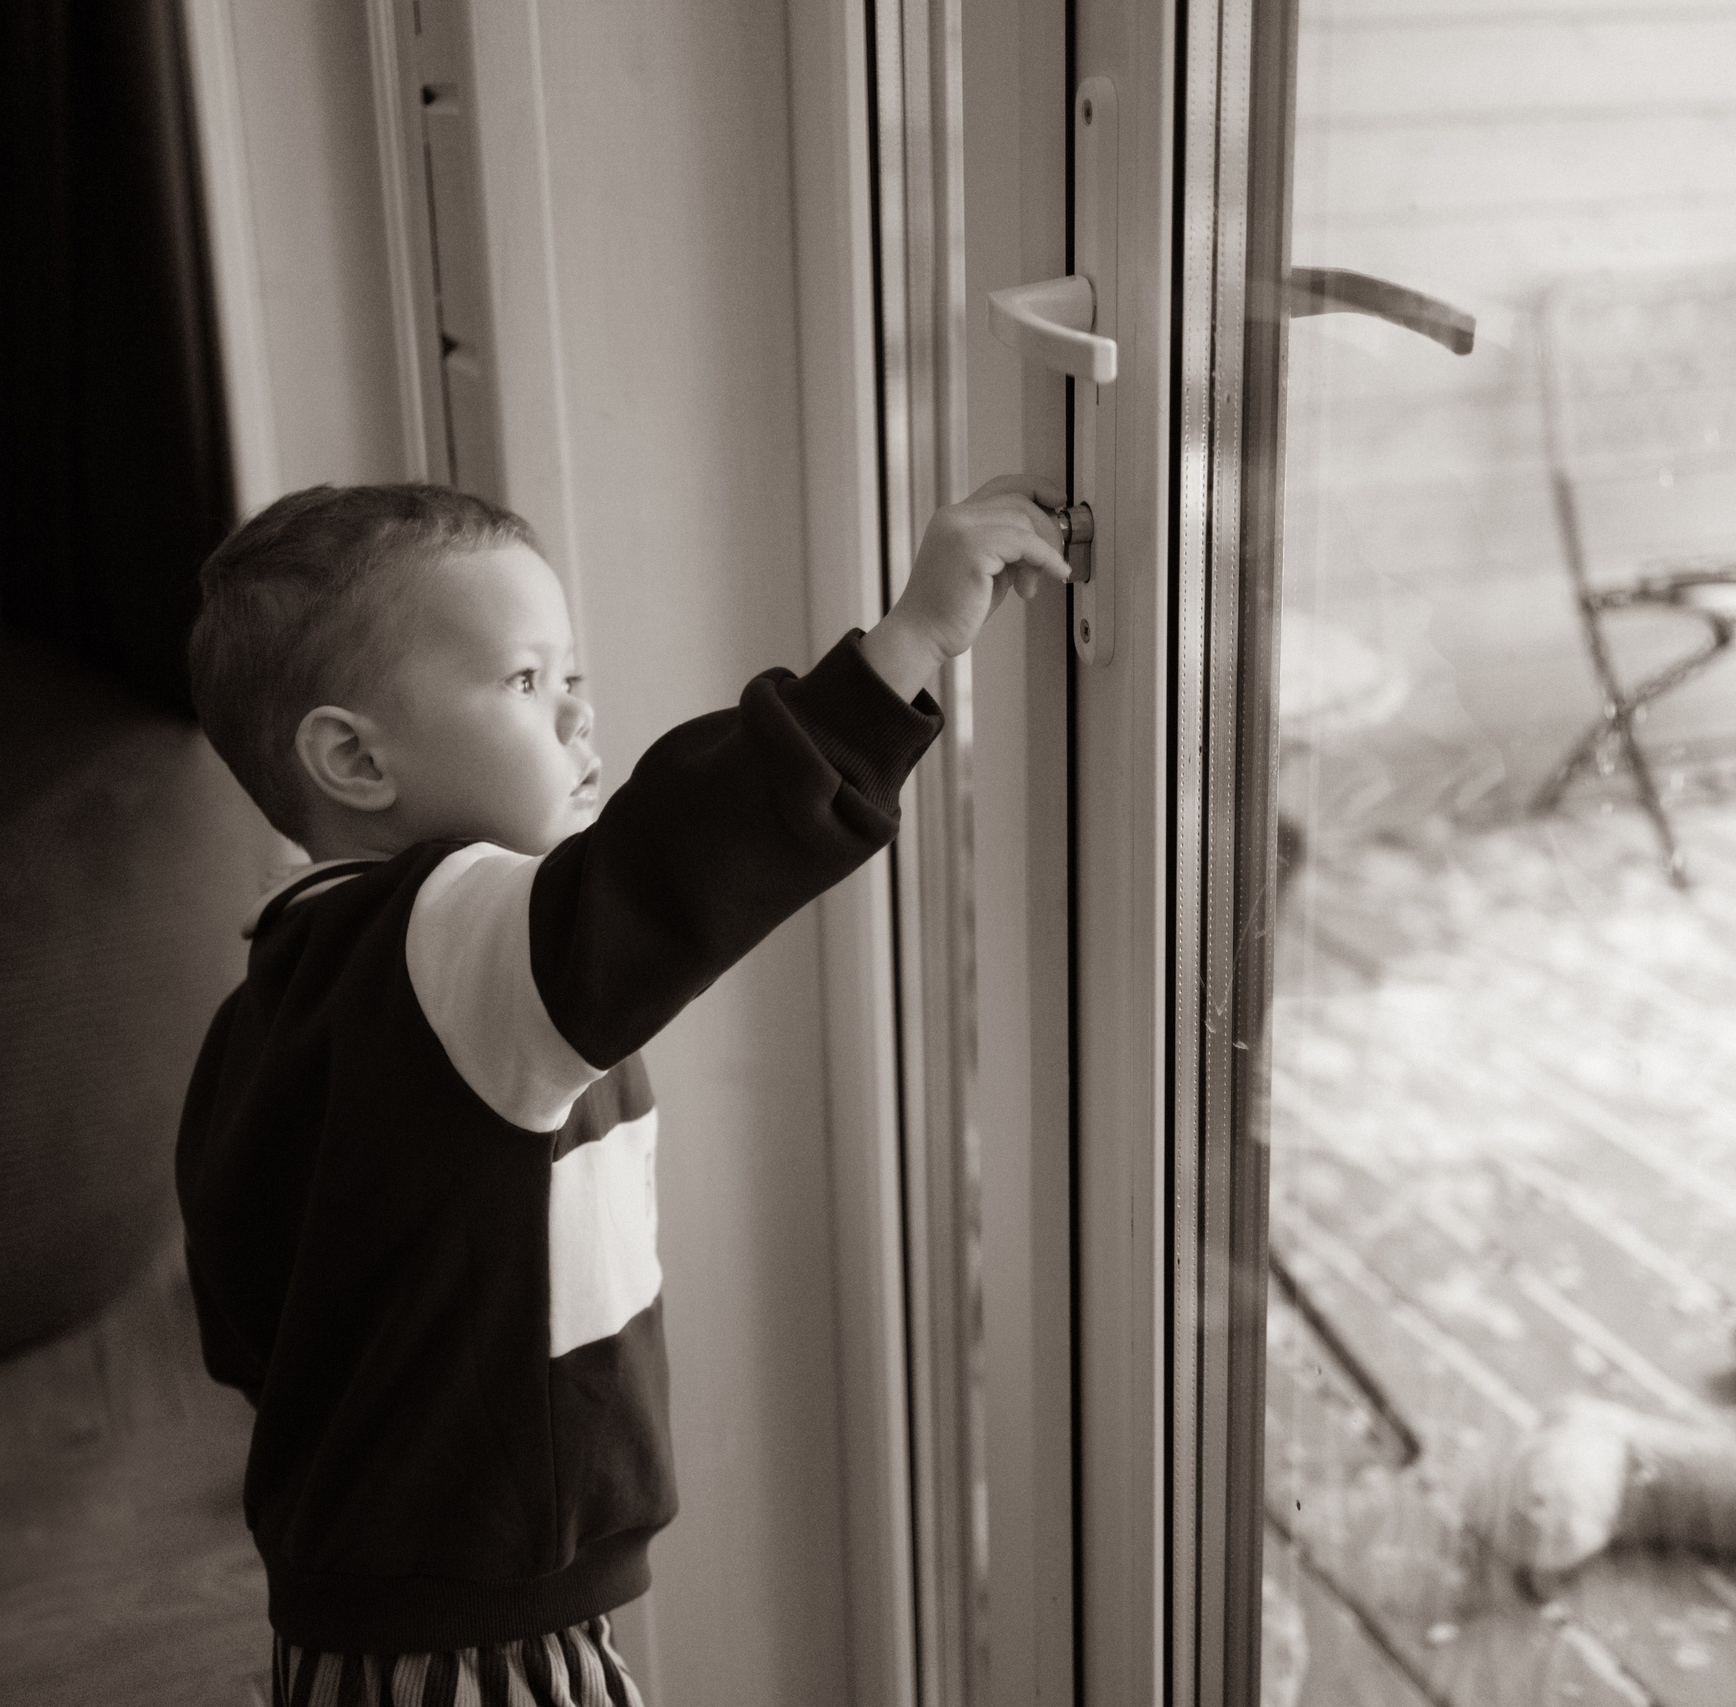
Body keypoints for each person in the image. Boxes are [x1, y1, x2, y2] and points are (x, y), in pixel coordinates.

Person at [176, 476, 1068, 1706]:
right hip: (477, 1638)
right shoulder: (449, 935)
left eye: (571, 673)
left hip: (356, 1609)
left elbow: (244, 1320)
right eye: (525, 681)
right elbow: (672, 868)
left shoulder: (275, 997)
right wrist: (902, 645)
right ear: (352, 757)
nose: (581, 714)